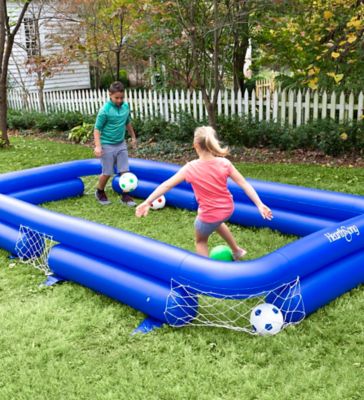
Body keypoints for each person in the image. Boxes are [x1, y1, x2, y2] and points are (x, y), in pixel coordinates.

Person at [135, 126, 273, 260]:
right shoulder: (224, 163)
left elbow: (167, 185)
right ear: (212, 144)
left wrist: (147, 202)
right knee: (217, 222)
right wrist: (259, 204)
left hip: (208, 215)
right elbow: (244, 184)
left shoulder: (190, 168)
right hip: (227, 209)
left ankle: (206, 272)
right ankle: (237, 251)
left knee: (200, 241)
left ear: (195, 145)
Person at [94, 81, 137, 206]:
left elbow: (127, 122)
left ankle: (125, 195)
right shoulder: (104, 110)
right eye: (116, 98)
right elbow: (97, 130)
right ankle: (100, 191)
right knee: (107, 172)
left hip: (121, 143)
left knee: (125, 171)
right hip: (107, 144)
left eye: (121, 97)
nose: (119, 100)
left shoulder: (125, 107)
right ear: (110, 95)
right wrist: (98, 146)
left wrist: (133, 136)